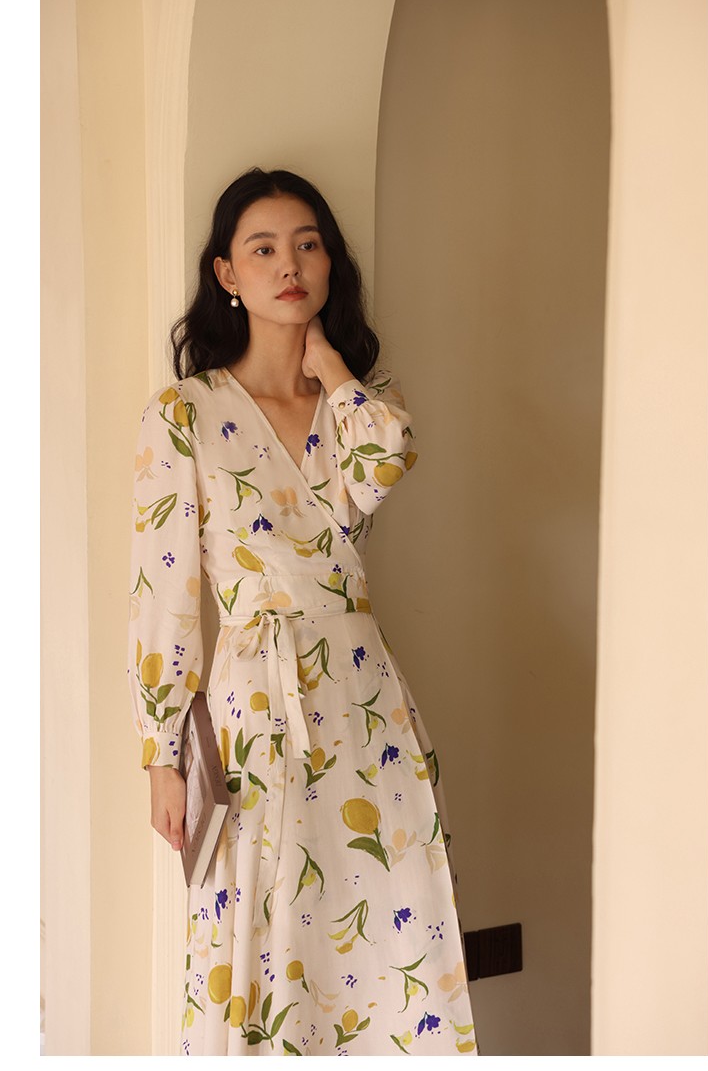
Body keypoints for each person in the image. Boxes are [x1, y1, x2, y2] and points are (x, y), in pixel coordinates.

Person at [127, 168, 477, 1056]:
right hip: (255, 701)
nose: (289, 265)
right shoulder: (185, 414)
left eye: (307, 244)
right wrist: (162, 755)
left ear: (329, 263)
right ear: (227, 273)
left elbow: (387, 462)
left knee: (383, 912)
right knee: (266, 919)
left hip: (365, 703)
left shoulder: (361, 406)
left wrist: (329, 366)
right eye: (264, 249)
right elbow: (164, 595)